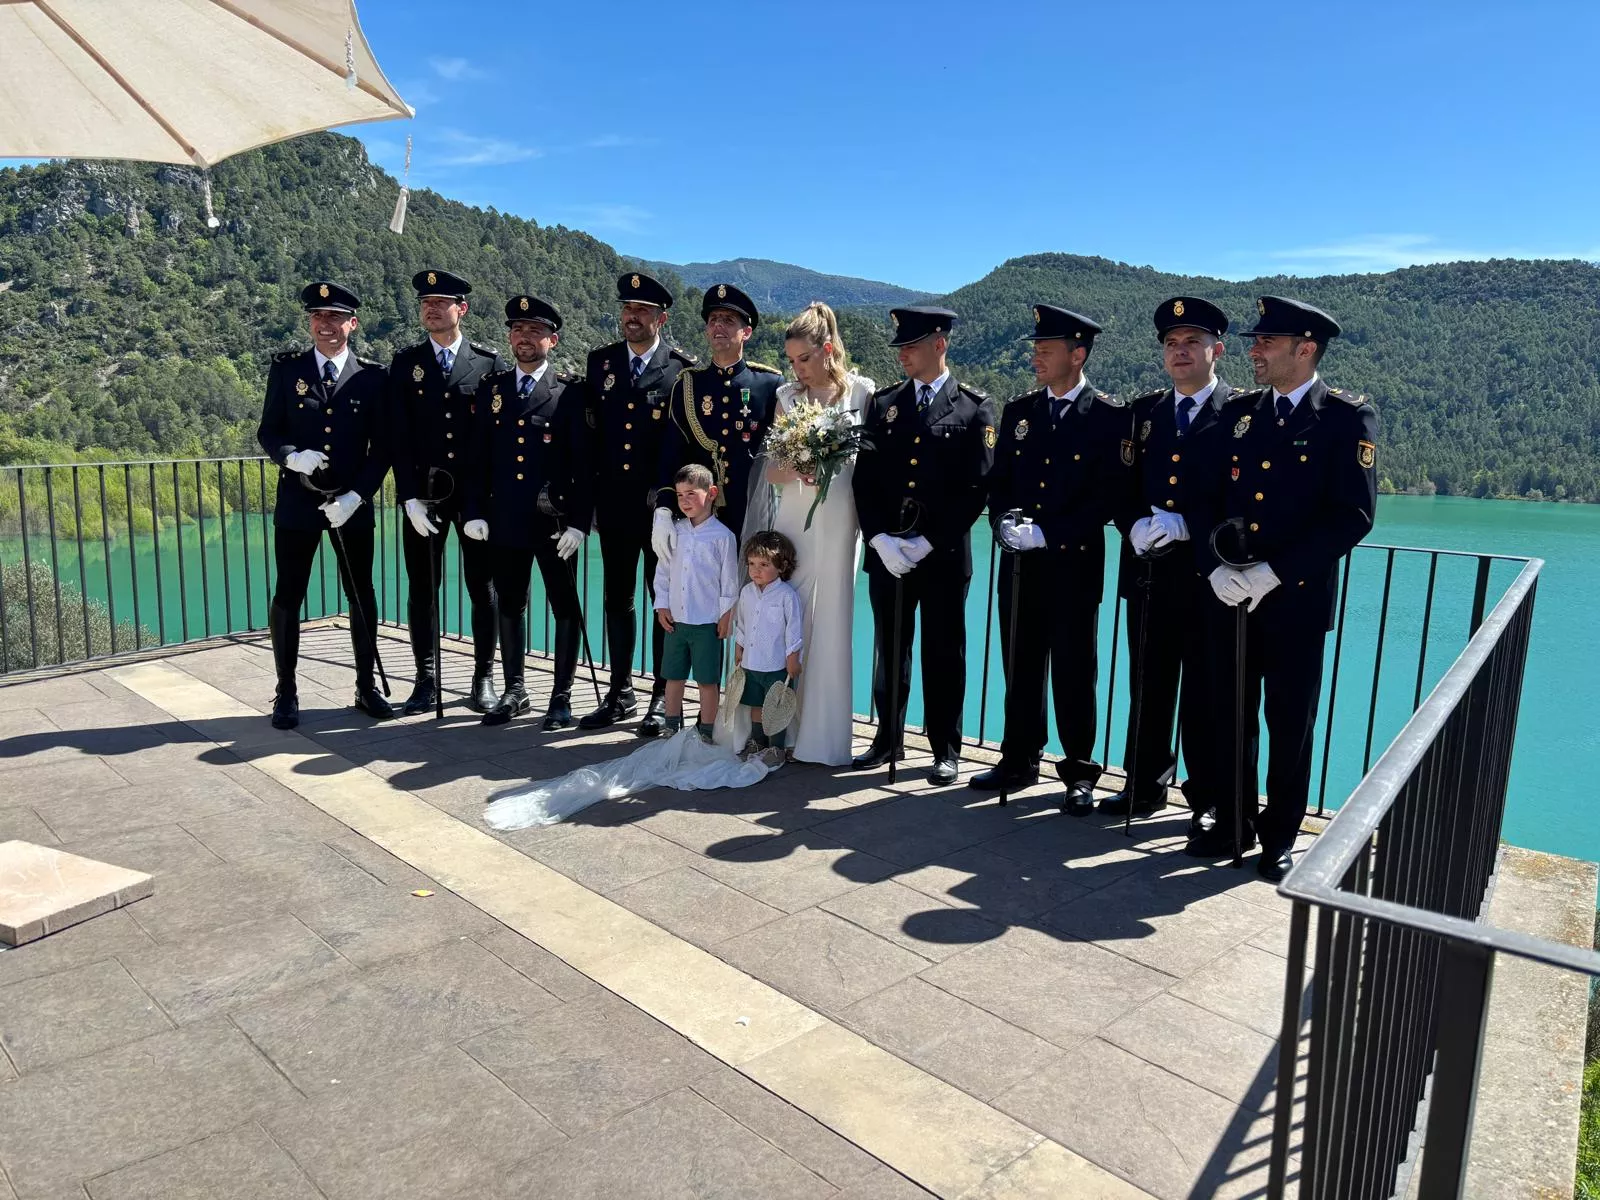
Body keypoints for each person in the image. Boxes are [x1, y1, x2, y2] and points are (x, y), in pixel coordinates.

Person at [1189, 296, 1379, 881]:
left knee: (1289, 721)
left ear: (1306, 349)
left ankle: (1279, 836)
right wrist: (1214, 568)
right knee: (1230, 714)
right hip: (1231, 596)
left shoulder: (1345, 418)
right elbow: (1202, 497)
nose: (1256, 352)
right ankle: (1234, 822)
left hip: (1295, 599)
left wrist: (1274, 572)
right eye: (1255, 342)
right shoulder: (1239, 413)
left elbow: (1353, 516)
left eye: (1267, 343)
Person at [976, 305, 1133, 811]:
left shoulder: (1108, 416)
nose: (1036, 358)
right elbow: (999, 482)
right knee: (1019, 664)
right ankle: (1018, 758)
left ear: (1077, 354)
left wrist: (1049, 534)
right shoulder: (1021, 412)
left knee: (1073, 671)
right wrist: (1004, 524)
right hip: (1020, 566)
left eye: (1046, 350)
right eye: (1036, 350)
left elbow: (1109, 496)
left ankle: (1080, 773)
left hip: (1073, 565)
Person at [1105, 297, 1249, 825]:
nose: (1180, 351)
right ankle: (1143, 786)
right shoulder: (1144, 412)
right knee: (1148, 684)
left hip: (1208, 576)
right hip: (1148, 573)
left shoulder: (1241, 414)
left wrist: (1192, 524)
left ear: (1217, 350)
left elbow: (1245, 497)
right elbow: (1119, 486)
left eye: (1192, 342)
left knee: (1206, 691)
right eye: (1171, 343)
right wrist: (1132, 524)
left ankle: (1205, 797)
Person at [851, 306, 996, 786]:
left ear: (940, 344)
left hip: (943, 556)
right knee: (890, 650)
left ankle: (945, 749)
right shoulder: (885, 403)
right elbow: (865, 479)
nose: (903, 355)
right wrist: (878, 538)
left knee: (943, 653)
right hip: (889, 552)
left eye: (911, 346)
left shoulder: (974, 408)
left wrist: (930, 542)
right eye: (900, 347)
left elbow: (977, 489)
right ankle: (887, 737)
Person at [256, 281, 393, 728]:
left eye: (335, 317)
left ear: (353, 324)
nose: (325, 324)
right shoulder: (287, 370)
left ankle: (365, 687)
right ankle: (286, 691)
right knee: (288, 595)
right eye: (318, 316)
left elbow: (383, 447)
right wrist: (291, 456)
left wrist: (357, 497)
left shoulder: (372, 377)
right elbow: (269, 431)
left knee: (361, 594)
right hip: (298, 502)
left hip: (350, 505)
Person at [752, 301, 872, 765]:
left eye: (804, 358)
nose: (797, 368)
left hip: (841, 520)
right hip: (794, 517)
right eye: (791, 360)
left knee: (833, 619)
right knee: (788, 612)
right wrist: (800, 465)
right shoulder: (788, 398)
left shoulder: (861, 393)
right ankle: (779, 727)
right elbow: (772, 473)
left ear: (827, 349)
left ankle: (822, 737)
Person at [465, 295, 592, 729]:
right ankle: (515, 690)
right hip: (504, 521)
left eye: (535, 331)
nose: (524, 337)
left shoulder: (570, 392)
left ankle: (561, 696)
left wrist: (580, 523)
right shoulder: (493, 389)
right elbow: (477, 457)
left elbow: (583, 466)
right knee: (510, 605)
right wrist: (474, 510)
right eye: (518, 330)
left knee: (565, 608)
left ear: (551, 340)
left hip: (554, 525)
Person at [580, 272, 697, 736]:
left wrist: (671, 501)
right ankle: (620, 692)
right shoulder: (601, 362)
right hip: (612, 503)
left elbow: (683, 443)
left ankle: (661, 697)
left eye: (643, 310)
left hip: (658, 508)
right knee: (617, 599)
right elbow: (592, 437)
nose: (633, 316)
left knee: (661, 601)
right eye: (628, 308)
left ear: (660, 319)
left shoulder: (680, 370)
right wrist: (587, 500)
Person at [389, 269, 507, 714]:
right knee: (422, 589)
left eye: (441, 302)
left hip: (475, 498)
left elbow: (497, 438)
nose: (432, 309)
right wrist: (408, 497)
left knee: (483, 587)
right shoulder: (406, 363)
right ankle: (426, 680)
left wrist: (488, 500)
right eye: (426, 303)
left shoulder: (488, 363)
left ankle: (483, 678)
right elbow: (398, 437)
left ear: (462, 309)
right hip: (425, 496)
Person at [651, 283, 781, 589]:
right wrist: (664, 508)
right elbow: (672, 451)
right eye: (713, 320)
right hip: (701, 517)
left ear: (746, 332)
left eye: (728, 320)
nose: (718, 326)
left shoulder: (769, 384)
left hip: (751, 513)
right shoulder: (688, 385)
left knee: (751, 602)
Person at [653, 464, 739, 741]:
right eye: (679, 495)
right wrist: (661, 605)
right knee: (673, 676)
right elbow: (663, 572)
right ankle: (671, 726)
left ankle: (707, 733)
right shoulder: (675, 531)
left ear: (711, 493)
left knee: (707, 680)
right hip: (676, 621)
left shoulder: (724, 537)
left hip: (706, 622)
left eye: (691, 493)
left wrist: (726, 615)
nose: (684, 501)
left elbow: (729, 582)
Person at [733, 530, 805, 769]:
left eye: (764, 564)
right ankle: (757, 742)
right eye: (752, 563)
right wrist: (739, 647)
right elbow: (742, 623)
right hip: (752, 663)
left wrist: (793, 658)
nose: (756, 570)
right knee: (756, 705)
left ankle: (777, 748)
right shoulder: (746, 592)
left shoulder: (786, 596)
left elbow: (793, 630)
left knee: (776, 707)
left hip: (776, 664)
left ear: (781, 566)